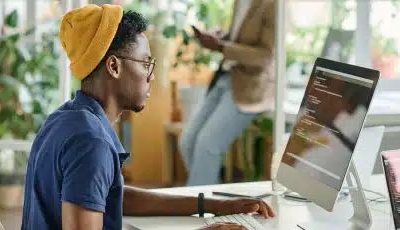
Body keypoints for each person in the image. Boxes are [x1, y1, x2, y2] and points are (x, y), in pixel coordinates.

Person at [21, 4, 275, 230]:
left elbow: (113, 196)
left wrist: (213, 205)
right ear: (114, 66)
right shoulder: (90, 143)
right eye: (145, 63)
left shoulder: (67, 118)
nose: (151, 76)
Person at [180, 0, 277, 186]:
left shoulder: (274, 5)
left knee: (207, 146)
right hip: (226, 77)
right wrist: (221, 38)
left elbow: (265, 57)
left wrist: (222, 47)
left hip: (252, 88)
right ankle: (210, 199)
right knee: (188, 142)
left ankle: (200, 206)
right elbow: (240, 38)